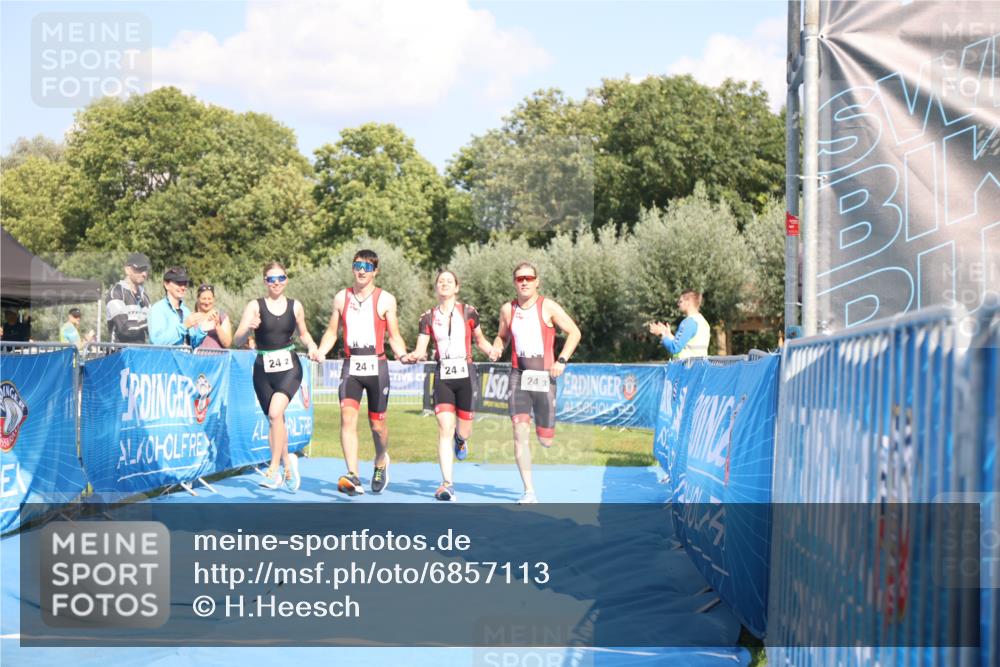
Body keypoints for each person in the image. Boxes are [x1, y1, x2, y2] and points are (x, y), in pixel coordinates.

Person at [310, 249, 408, 497]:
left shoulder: (386, 299)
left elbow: (394, 336)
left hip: (377, 365)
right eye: (358, 265)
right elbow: (332, 332)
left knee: (377, 425)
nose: (362, 271)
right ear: (353, 268)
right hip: (351, 364)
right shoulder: (341, 298)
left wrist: (403, 355)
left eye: (367, 267)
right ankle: (353, 474)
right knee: (347, 417)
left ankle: (380, 461)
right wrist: (321, 351)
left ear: (375, 271)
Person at [489, 262, 581, 504]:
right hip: (518, 376)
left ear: (537, 281)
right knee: (520, 431)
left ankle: (547, 428)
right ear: (514, 282)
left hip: (543, 377)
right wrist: (498, 347)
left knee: (545, 440)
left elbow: (574, 332)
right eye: (520, 278)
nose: (525, 282)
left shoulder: (547, 306)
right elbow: (502, 336)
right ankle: (529, 491)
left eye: (529, 278)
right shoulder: (507, 310)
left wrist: (562, 360)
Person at [402, 270, 494, 501]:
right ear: (436, 288)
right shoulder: (427, 317)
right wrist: (413, 356)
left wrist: (491, 350)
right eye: (440, 281)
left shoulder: (469, 312)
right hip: (443, 373)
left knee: (463, 430)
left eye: (449, 281)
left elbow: (479, 339)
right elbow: (422, 349)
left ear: (456, 287)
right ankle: (447, 484)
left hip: (466, 374)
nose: (444, 284)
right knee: (444, 427)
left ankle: (461, 441)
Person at [234, 262, 319, 491]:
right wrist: (248, 328)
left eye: (281, 278)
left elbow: (303, 333)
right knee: (275, 420)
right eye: (272, 279)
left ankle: (273, 468)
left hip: (289, 367)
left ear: (287, 279)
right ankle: (288, 467)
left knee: (275, 413)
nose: (277, 283)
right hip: (263, 369)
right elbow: (237, 339)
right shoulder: (255, 306)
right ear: (265, 282)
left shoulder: (295, 306)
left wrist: (312, 346)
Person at [148, 267, 208, 348]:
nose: (183, 287)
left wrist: (203, 330)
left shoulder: (186, 311)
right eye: (178, 283)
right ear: (166, 285)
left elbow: (192, 345)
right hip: (167, 360)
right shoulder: (158, 309)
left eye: (185, 283)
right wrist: (184, 326)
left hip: (185, 359)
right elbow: (157, 341)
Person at [647, 290, 710, 359]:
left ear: (688, 302)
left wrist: (662, 334)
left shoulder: (688, 322)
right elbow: (686, 345)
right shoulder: (703, 322)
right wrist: (668, 334)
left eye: (680, 301)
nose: (678, 304)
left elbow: (675, 348)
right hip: (699, 367)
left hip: (685, 367)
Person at [106, 252, 152, 344]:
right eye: (140, 269)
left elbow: (151, 331)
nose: (144, 274)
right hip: (119, 354)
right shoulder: (116, 293)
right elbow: (124, 329)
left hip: (139, 353)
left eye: (145, 269)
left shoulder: (144, 296)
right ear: (127, 270)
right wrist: (150, 323)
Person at [193, 284, 233, 350]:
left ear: (213, 299)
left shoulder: (222, 317)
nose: (207, 302)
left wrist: (217, 326)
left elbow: (227, 344)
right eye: (204, 299)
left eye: (209, 299)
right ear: (198, 299)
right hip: (196, 359)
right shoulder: (191, 318)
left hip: (218, 359)